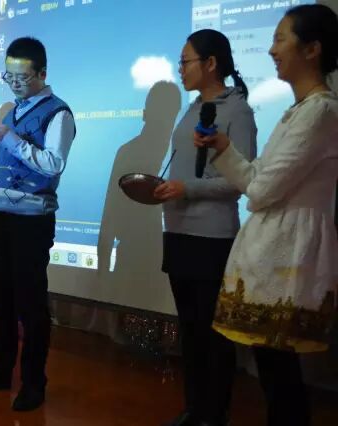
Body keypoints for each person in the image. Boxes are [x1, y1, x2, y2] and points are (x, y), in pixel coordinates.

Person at [194, 5, 338, 425]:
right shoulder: (302, 110)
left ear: (311, 49)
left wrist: (243, 172)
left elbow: (260, 189)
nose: (272, 50)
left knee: (280, 374)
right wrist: (224, 149)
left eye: (280, 39)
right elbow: (258, 179)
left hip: (288, 251)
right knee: (275, 371)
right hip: (279, 245)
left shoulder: (320, 112)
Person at [0, 37, 76, 411]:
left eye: (21, 76)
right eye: (9, 76)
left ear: (42, 73)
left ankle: (34, 383)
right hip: (2, 217)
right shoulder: (13, 112)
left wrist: (8, 139)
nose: (14, 83)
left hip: (32, 221)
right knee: (0, 300)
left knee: (30, 304)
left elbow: (53, 164)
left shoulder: (58, 113)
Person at [153, 29, 257, 426]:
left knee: (212, 334)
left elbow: (238, 181)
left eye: (186, 61)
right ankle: (194, 408)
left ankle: (214, 414)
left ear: (211, 63)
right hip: (178, 230)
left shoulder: (237, 111)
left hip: (212, 237)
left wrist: (187, 188)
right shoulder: (192, 108)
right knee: (190, 331)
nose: (180, 69)